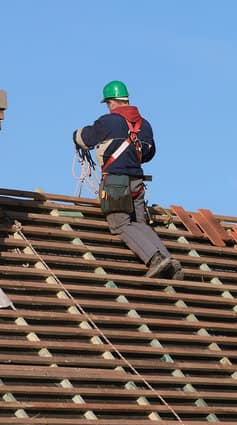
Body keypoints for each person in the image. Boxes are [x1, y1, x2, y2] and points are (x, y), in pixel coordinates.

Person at [73, 80, 182, 280]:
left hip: (115, 181)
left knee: (120, 224)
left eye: (108, 104)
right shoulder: (145, 125)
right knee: (139, 222)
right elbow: (149, 153)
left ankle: (155, 258)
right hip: (137, 181)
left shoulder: (109, 121)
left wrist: (75, 136)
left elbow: (85, 138)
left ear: (111, 102)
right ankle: (170, 262)